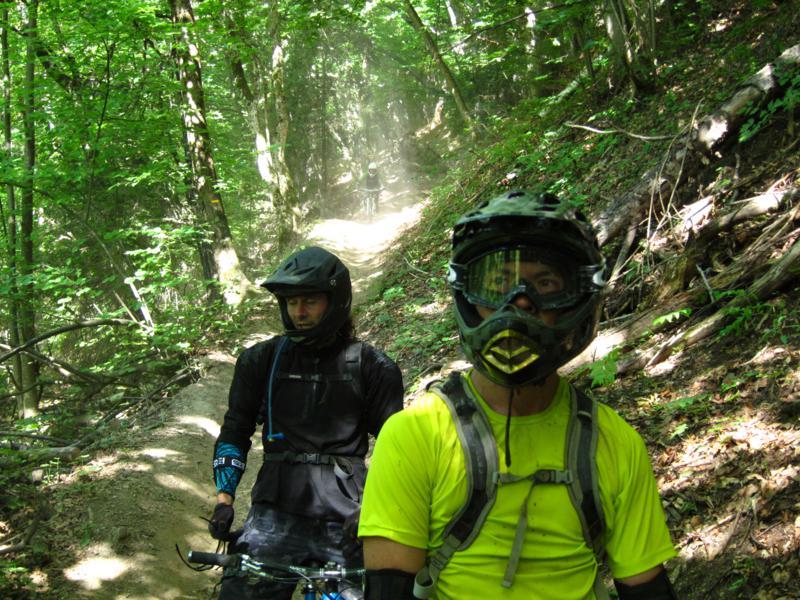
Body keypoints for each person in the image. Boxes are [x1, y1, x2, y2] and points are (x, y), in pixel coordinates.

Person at [358, 190, 678, 599]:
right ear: (469, 297)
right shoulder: (414, 436)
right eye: (497, 284)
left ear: (578, 297)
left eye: (545, 283)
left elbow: (647, 588)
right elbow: (388, 589)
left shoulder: (615, 444)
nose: (519, 303)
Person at [208, 246, 404, 599]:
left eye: (310, 301)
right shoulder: (260, 360)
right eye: (291, 302)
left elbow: (397, 448)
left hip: (348, 517)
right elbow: (235, 432)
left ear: (335, 301)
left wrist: (376, 508)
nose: (298, 312)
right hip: (273, 512)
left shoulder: (374, 367)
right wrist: (225, 500)